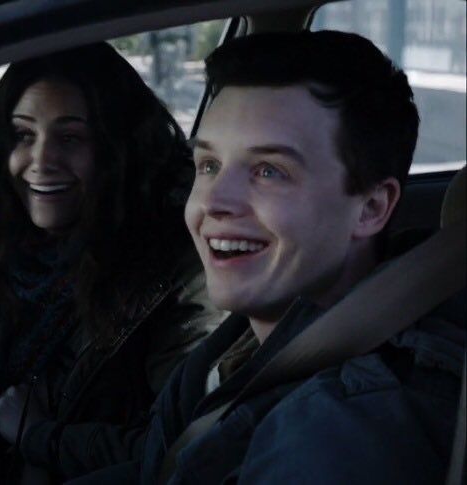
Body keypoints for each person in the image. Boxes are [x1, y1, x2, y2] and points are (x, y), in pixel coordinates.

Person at [68, 30, 464, 484]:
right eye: (209, 165)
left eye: (268, 171)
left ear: (371, 208)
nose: (214, 201)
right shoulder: (242, 343)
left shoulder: (338, 436)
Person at [0, 42, 222, 484]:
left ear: (118, 149)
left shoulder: (175, 273)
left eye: (70, 138)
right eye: (24, 135)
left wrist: (40, 436)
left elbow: (179, 450)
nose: (41, 161)